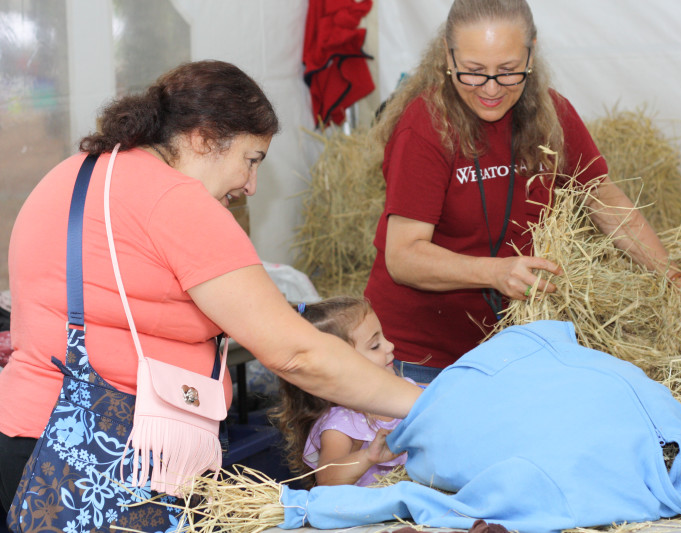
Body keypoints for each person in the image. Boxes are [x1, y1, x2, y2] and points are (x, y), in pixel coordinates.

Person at [0, 60, 421, 516]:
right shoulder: (175, 199)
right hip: (109, 462)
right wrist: (422, 402)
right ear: (203, 138)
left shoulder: (76, 173)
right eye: (250, 160)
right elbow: (297, 352)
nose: (251, 185)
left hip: (27, 442)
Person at [364, 0, 681, 383]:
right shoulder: (426, 125)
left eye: (507, 71)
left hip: (511, 348)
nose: (490, 89)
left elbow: (602, 198)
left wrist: (677, 284)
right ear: (448, 57)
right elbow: (404, 256)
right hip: (422, 357)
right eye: (472, 72)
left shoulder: (549, 114)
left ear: (531, 52)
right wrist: (496, 272)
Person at [270, 297, 415, 488]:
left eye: (383, 337)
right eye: (375, 345)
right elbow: (326, 480)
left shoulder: (404, 387)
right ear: (337, 366)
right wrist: (368, 456)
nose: (390, 346)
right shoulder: (342, 422)